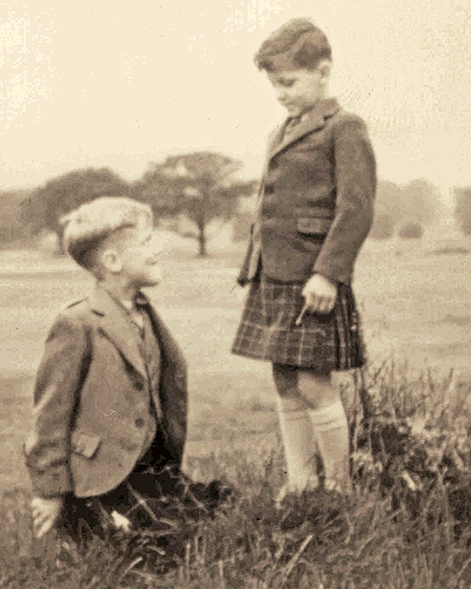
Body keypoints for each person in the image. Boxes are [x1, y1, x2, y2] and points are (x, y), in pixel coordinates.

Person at [24, 196, 225, 543]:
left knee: (216, 511)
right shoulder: (77, 323)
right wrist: (49, 492)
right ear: (113, 261)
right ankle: (89, 522)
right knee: (162, 542)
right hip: (99, 480)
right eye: (146, 243)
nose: (157, 250)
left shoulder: (144, 312)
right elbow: (50, 416)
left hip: (148, 467)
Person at [232, 18, 376, 502]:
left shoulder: (344, 128)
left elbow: (355, 209)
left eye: (288, 82)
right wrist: (253, 267)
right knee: (284, 382)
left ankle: (339, 488)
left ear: (323, 71)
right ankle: (300, 483)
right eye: (274, 84)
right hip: (274, 274)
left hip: (312, 277)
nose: (280, 93)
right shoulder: (282, 129)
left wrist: (328, 273)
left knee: (314, 384)